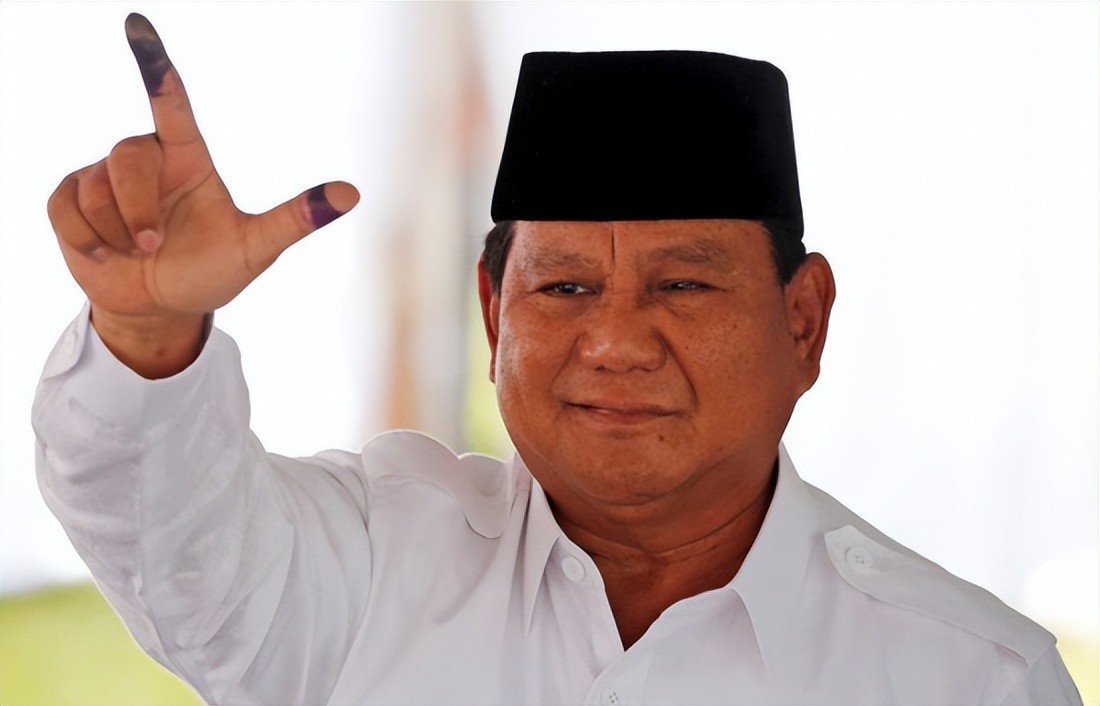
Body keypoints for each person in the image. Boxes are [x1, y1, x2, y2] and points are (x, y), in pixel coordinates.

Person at [34, 13, 1081, 705]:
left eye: (684, 285)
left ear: (801, 321)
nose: (615, 342)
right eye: (565, 289)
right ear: (494, 318)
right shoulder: (376, 564)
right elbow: (176, 539)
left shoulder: (970, 678)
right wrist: (147, 334)